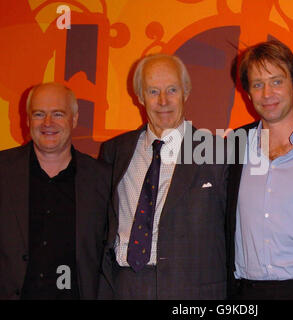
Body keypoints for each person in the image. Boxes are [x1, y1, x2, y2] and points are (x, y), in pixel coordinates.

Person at [98, 53, 227, 299]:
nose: (163, 101)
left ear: (186, 92)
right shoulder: (115, 151)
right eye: (153, 91)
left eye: (172, 90)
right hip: (123, 287)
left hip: (189, 292)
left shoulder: (216, 153)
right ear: (139, 97)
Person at [225, 40, 293, 300]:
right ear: (248, 94)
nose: (267, 93)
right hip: (244, 292)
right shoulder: (233, 145)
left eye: (276, 81)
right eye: (258, 85)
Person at [0, 82, 111, 299]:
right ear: (27, 120)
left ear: (75, 119)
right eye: (39, 114)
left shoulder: (103, 179)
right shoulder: (3, 171)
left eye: (58, 114)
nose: (48, 123)